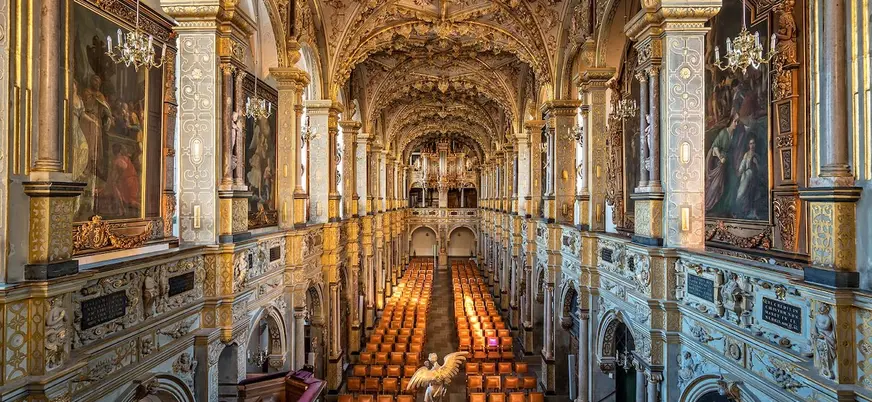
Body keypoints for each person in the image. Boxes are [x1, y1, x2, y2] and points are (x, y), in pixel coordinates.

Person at [705, 114, 739, 212]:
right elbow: (715, 147)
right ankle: (708, 206)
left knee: (732, 182)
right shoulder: (724, 133)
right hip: (720, 162)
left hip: (729, 162)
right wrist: (720, 158)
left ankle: (727, 208)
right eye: (735, 121)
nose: (736, 124)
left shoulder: (734, 134)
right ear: (731, 121)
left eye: (737, 122)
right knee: (716, 186)